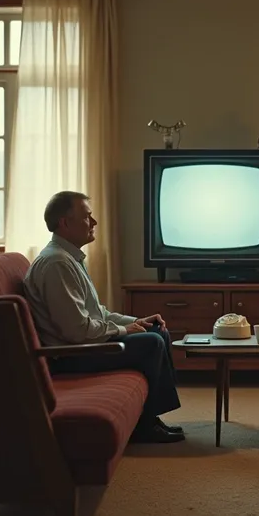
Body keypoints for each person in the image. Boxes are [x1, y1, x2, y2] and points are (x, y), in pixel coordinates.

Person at [24, 190, 184, 444]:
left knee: (156, 331)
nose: (94, 222)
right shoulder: (57, 264)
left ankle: (151, 418)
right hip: (69, 355)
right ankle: (145, 426)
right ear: (65, 223)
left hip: (82, 343)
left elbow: (99, 314)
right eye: (87, 216)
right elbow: (76, 331)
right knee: (152, 343)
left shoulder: (69, 258)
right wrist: (125, 331)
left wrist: (136, 321)